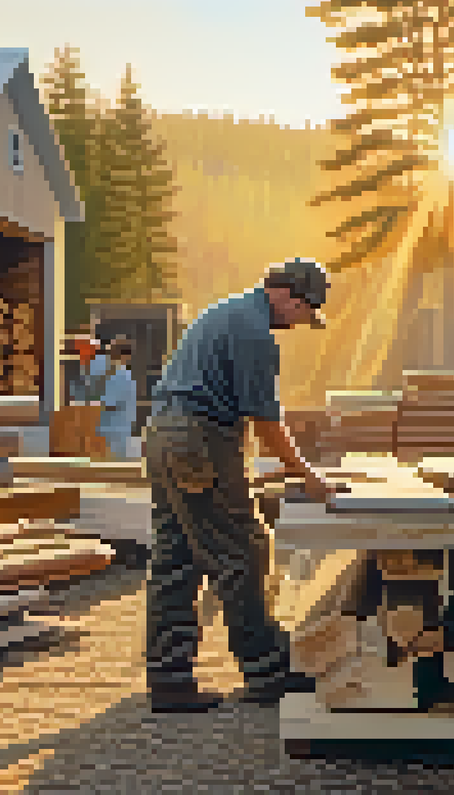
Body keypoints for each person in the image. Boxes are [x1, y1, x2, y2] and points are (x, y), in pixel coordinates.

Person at [143, 256, 342, 713]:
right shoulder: (255, 332)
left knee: (176, 556)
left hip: (163, 436)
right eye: (304, 313)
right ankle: (267, 671)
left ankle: (169, 678)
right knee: (242, 553)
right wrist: (309, 476)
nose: (300, 324)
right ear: (290, 295)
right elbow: (267, 422)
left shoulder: (226, 311)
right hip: (200, 440)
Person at [97, 336, 138, 460]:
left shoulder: (120, 376)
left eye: (112, 352)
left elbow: (109, 404)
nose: (109, 356)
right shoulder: (120, 374)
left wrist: (88, 407)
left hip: (114, 432)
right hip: (117, 430)